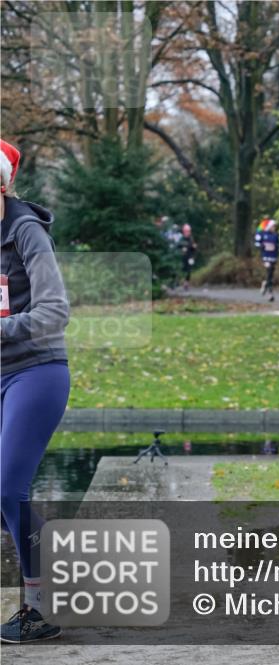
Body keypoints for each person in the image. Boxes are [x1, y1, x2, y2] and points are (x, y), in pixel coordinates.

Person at [0, 139, 71, 643]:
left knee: (8, 488)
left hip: (35, 372)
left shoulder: (25, 232)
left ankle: (40, 607)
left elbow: (54, 312)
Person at [254, 218, 279, 302]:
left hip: (274, 257)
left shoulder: (276, 235)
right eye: (273, 226)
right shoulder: (262, 234)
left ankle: (265, 284)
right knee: (269, 272)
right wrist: (263, 246)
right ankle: (270, 294)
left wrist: (277, 247)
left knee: (271, 275)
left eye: (275, 226)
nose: (274, 228)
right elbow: (257, 243)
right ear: (269, 226)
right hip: (265, 256)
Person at [178, 223, 197, 291]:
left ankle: (186, 283)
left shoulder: (191, 238)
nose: (187, 232)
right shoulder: (181, 238)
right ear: (183, 231)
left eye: (188, 231)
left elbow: (193, 248)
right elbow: (178, 247)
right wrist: (182, 249)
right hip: (183, 257)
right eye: (186, 231)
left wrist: (194, 247)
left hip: (190, 257)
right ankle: (182, 282)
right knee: (183, 270)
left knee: (189, 270)